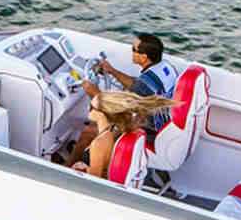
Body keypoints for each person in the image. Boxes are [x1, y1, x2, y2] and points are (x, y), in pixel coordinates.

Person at [64, 32, 179, 168]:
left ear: (144, 57)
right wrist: (111, 71)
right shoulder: (165, 68)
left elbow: (115, 112)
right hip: (163, 126)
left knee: (89, 131)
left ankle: (68, 168)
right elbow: (136, 84)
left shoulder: (144, 84)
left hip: (148, 134)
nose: (131, 52)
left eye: (134, 49)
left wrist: (92, 91)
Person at [71, 91, 177, 179]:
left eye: (91, 107)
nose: (88, 109)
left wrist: (83, 168)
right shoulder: (116, 131)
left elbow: (93, 180)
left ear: (102, 114)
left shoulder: (99, 144)